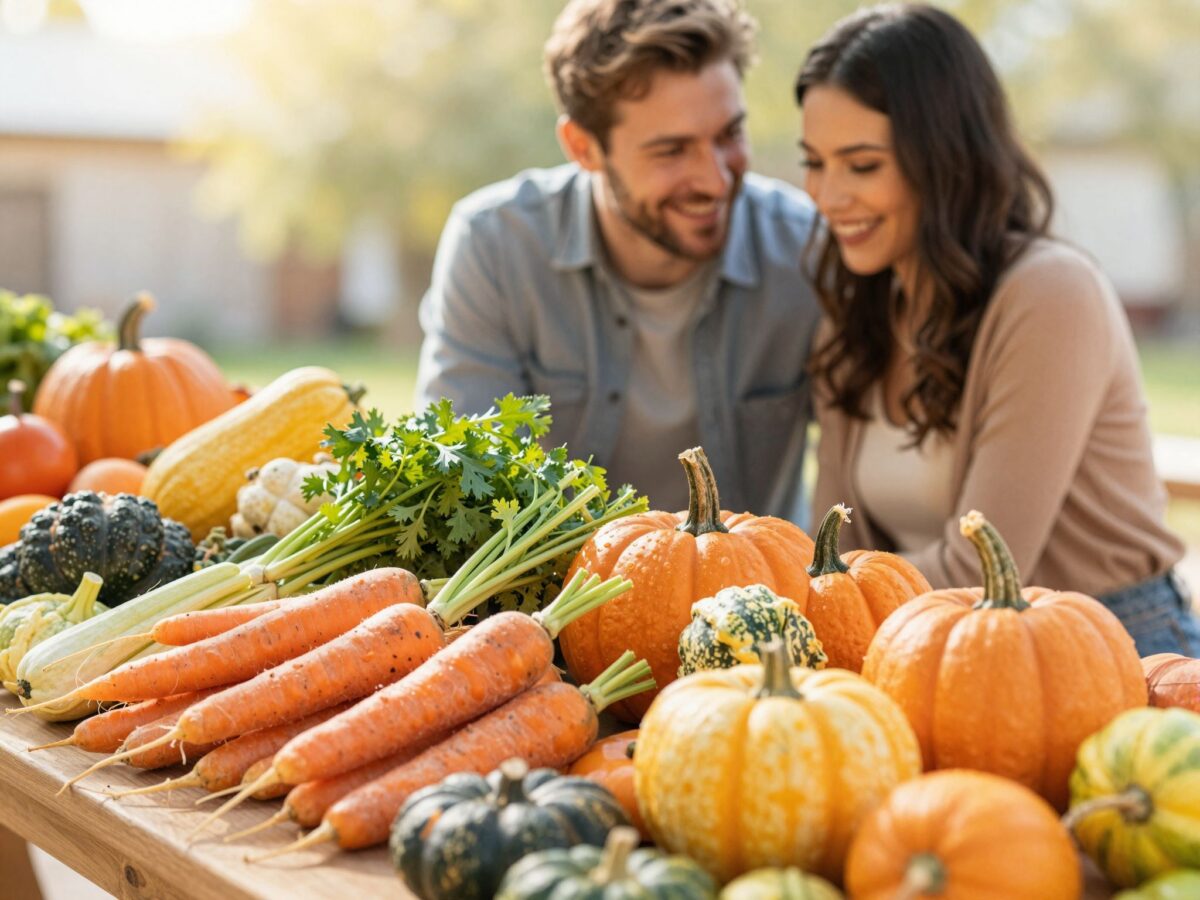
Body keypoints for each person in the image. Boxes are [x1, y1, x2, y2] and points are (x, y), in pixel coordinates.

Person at [796, 3, 1196, 654]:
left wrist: (806, 599)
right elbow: (834, 556)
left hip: (1117, 648)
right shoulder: (856, 314)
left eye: (862, 165)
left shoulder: (1051, 294)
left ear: (945, 159)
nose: (826, 194)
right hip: (925, 651)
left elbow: (982, 570)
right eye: (815, 161)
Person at [415, 0, 819, 515]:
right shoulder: (496, 248)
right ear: (583, 147)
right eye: (672, 150)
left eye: (729, 135)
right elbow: (459, 491)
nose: (717, 179)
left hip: (759, 591)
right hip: (553, 596)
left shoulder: (807, 252)